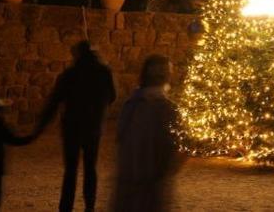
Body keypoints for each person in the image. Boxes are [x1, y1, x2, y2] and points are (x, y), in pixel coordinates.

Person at [34, 41, 118, 212]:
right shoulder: (104, 72)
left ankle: (66, 208)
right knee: (90, 168)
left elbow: (54, 101)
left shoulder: (70, 74)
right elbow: (113, 96)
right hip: (93, 127)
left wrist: (39, 127)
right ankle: (90, 207)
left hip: (72, 128)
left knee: (70, 171)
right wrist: (98, 109)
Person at [109, 55, 180, 212]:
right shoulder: (166, 108)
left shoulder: (131, 104)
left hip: (130, 179)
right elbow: (171, 145)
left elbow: (121, 138)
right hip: (149, 182)